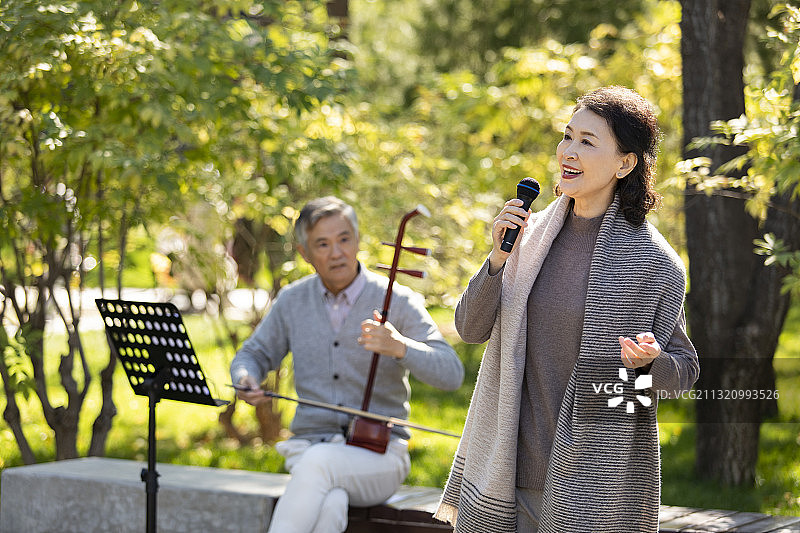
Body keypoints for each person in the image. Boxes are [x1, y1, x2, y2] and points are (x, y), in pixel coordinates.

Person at [435, 86, 699, 533]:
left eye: (587, 142)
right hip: (505, 469)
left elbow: (684, 370)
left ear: (625, 163)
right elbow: (470, 328)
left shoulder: (655, 263)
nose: (567, 152)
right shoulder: (528, 235)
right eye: (567, 136)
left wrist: (649, 365)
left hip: (593, 483)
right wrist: (497, 260)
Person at [231, 196, 464, 533]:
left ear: (357, 241)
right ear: (304, 253)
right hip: (309, 448)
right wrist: (245, 378)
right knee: (330, 504)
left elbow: (452, 372)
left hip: (379, 456)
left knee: (319, 465)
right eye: (322, 244)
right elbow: (251, 355)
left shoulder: (398, 300)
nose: (336, 252)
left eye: (344, 239)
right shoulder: (293, 301)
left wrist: (401, 347)